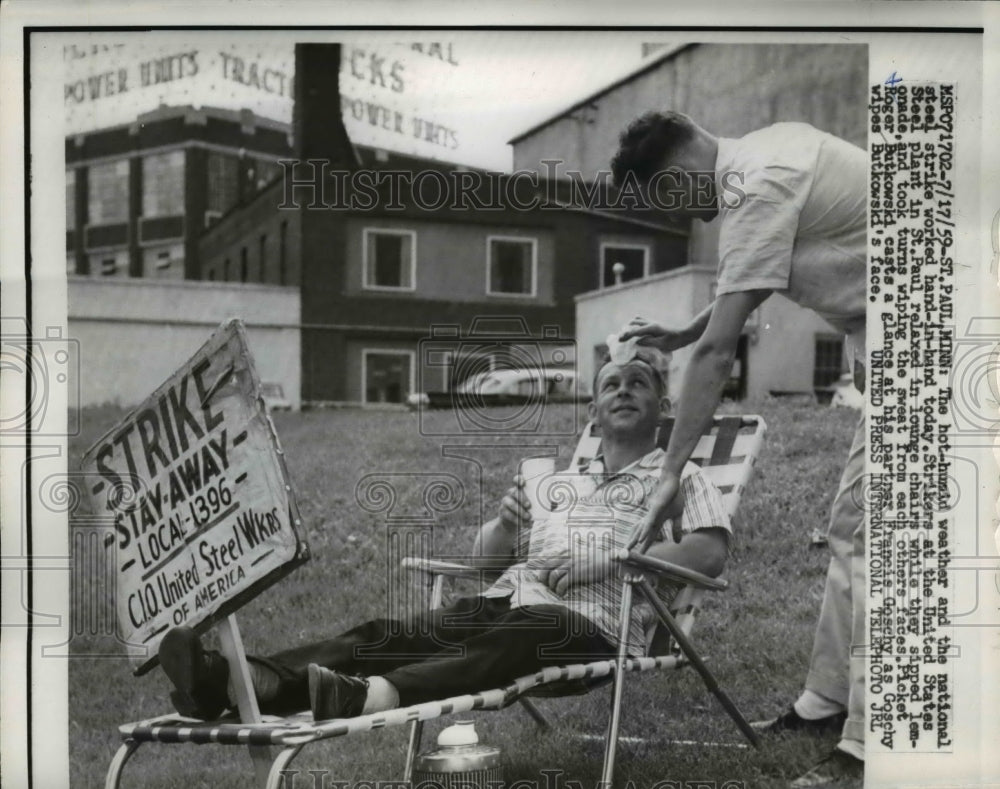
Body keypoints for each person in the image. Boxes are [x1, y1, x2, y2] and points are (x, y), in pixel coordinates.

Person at [157, 349, 731, 723]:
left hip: (594, 629)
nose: (624, 390)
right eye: (612, 384)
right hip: (505, 603)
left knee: (537, 624)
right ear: (593, 411)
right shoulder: (557, 482)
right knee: (388, 633)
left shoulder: (679, 477)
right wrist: (505, 527)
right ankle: (233, 681)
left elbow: (708, 553)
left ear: (665, 406)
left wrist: (606, 562)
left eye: (639, 383)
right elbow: (486, 564)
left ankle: (374, 695)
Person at [611, 111, 866, 789]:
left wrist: (669, 471)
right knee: (850, 528)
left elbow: (720, 350)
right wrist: (681, 327)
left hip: (942, 335)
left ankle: (872, 744)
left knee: (880, 541)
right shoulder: (763, 155)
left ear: (672, 178)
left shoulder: (753, 186)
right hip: (897, 334)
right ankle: (825, 703)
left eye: (665, 204)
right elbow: (741, 290)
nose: (688, 223)